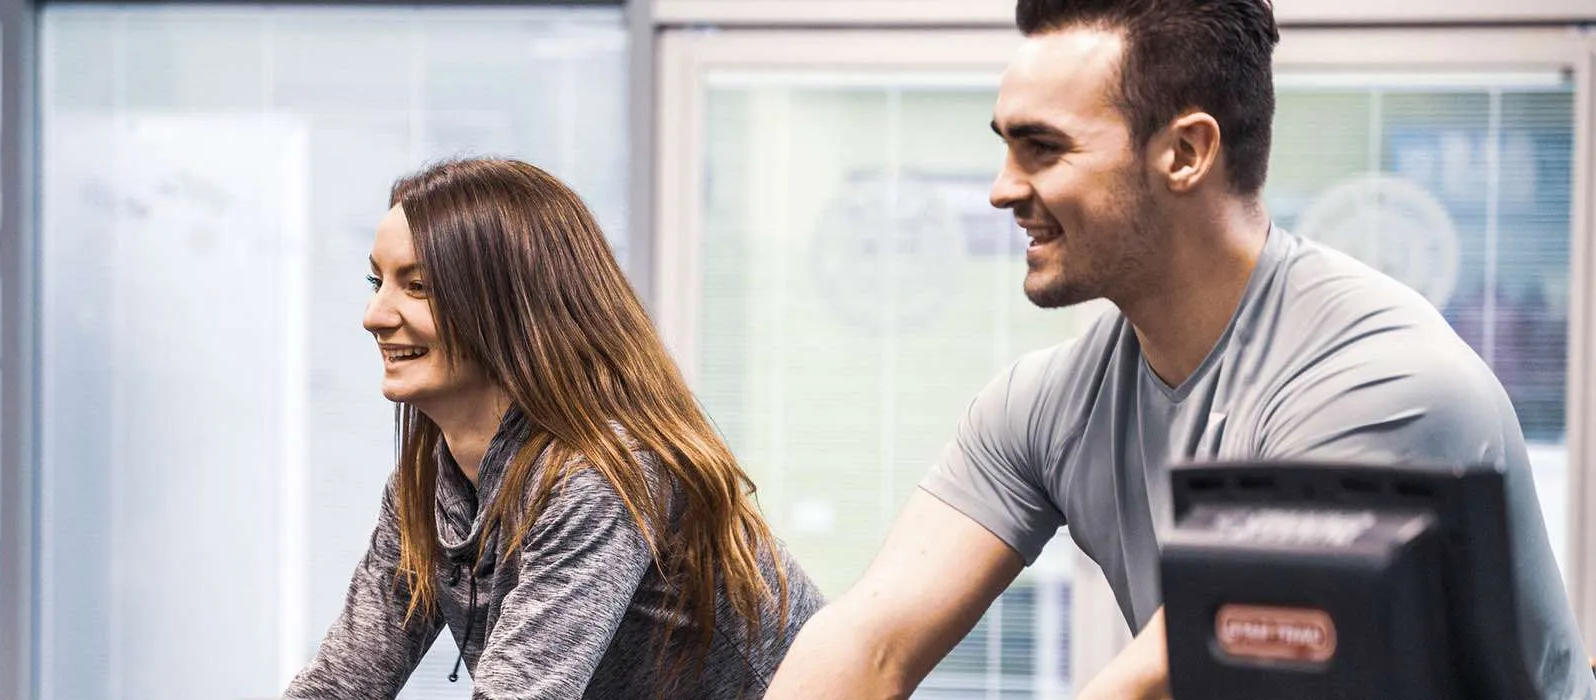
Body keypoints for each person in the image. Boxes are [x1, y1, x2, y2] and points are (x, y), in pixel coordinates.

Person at [763, 1, 1593, 698]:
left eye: (1041, 147)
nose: (1003, 187)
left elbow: (1158, 684)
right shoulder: (1047, 404)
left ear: (1186, 153)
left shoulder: (1380, 385)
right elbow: (870, 643)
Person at [284, 158, 823, 699]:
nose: (374, 315)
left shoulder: (599, 475)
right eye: (378, 281)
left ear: (512, 305)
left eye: (417, 286)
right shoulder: (427, 488)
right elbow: (340, 684)